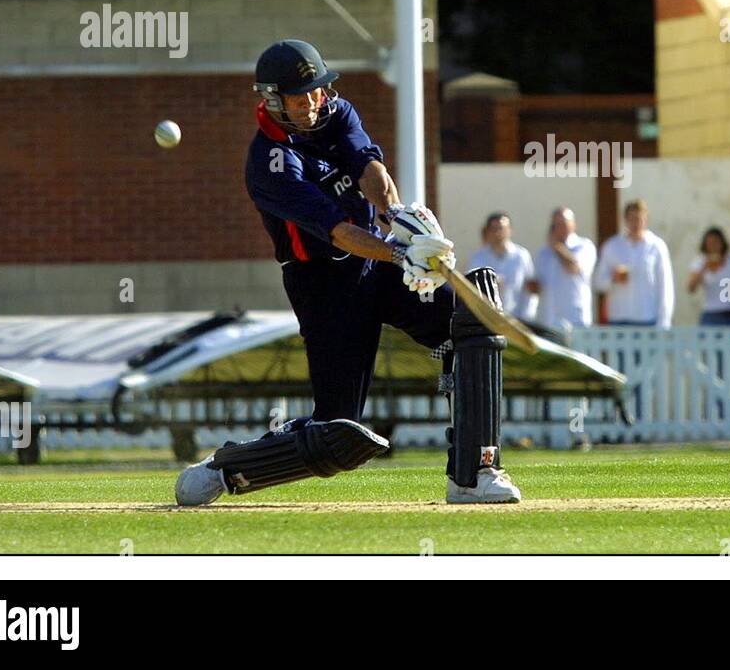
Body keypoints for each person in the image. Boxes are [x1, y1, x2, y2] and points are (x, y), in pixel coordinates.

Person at [176, 40, 521, 507]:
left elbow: (369, 167)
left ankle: (473, 474)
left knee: (470, 324)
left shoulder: (336, 113)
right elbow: (336, 231)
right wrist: (402, 256)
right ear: (273, 101)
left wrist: (398, 216)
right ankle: (229, 468)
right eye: (301, 98)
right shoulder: (269, 164)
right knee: (337, 434)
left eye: (318, 92)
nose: (314, 103)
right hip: (323, 285)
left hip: (372, 262)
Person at [594, 199, 675, 328]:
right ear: (625, 220)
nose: (635, 223)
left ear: (646, 220)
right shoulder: (612, 246)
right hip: (619, 318)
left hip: (647, 318)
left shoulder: (657, 246)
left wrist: (664, 320)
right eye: (632, 219)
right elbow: (599, 282)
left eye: (639, 219)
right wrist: (613, 278)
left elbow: (665, 285)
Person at [530, 206, 597, 330]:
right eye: (556, 224)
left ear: (573, 224)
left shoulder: (583, 246)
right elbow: (538, 285)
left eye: (564, 223)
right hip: (549, 320)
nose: (560, 228)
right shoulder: (544, 253)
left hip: (575, 319)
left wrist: (556, 247)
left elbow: (573, 267)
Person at [468, 212, 537, 320]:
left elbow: (530, 288)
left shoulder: (521, 256)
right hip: (488, 320)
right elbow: (471, 289)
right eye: (494, 229)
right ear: (488, 232)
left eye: (501, 228)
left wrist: (527, 316)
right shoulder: (478, 258)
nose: (498, 233)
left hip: (517, 320)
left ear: (510, 230)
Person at [687, 227, 730, 325]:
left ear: (722, 243)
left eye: (716, 242)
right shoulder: (700, 261)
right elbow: (691, 288)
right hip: (711, 313)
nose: (713, 247)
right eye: (709, 244)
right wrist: (704, 268)